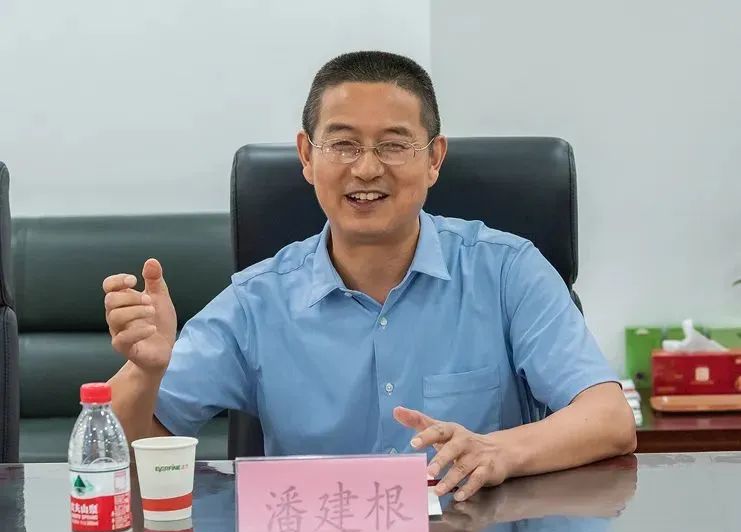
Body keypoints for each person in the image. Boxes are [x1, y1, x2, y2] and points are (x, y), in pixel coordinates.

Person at [104, 51, 636, 502]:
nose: (366, 169)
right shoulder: (255, 302)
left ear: (434, 159)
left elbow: (609, 418)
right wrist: (144, 374)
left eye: (393, 145)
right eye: (343, 144)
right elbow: (123, 456)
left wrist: (497, 451)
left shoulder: (507, 271)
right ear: (307, 157)